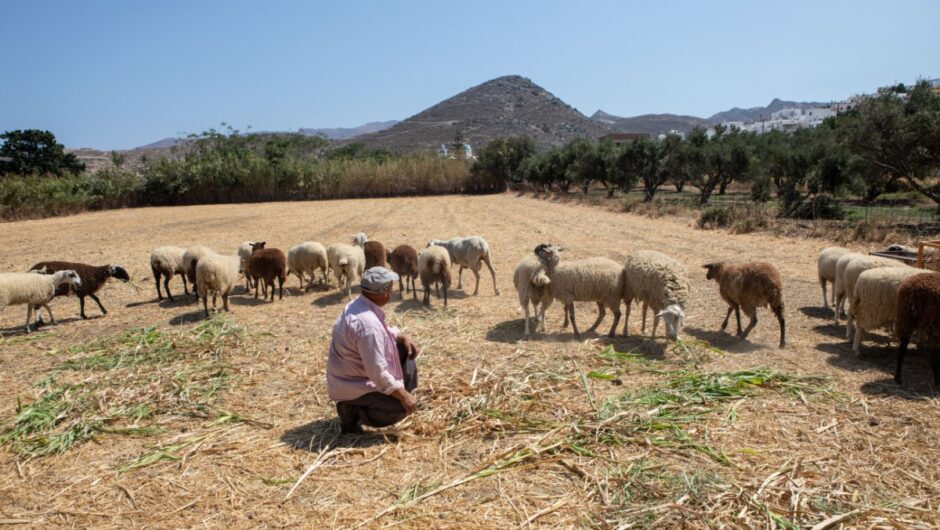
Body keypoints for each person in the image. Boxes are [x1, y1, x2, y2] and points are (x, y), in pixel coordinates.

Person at [326, 266, 420, 434]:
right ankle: (351, 411)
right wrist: (403, 396)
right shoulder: (368, 325)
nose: (391, 293)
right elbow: (377, 371)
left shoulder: (359, 305)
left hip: (356, 374)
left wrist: (401, 337)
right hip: (353, 384)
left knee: (404, 350)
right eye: (390, 288)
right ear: (383, 292)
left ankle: (395, 395)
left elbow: (384, 334)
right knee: (398, 409)